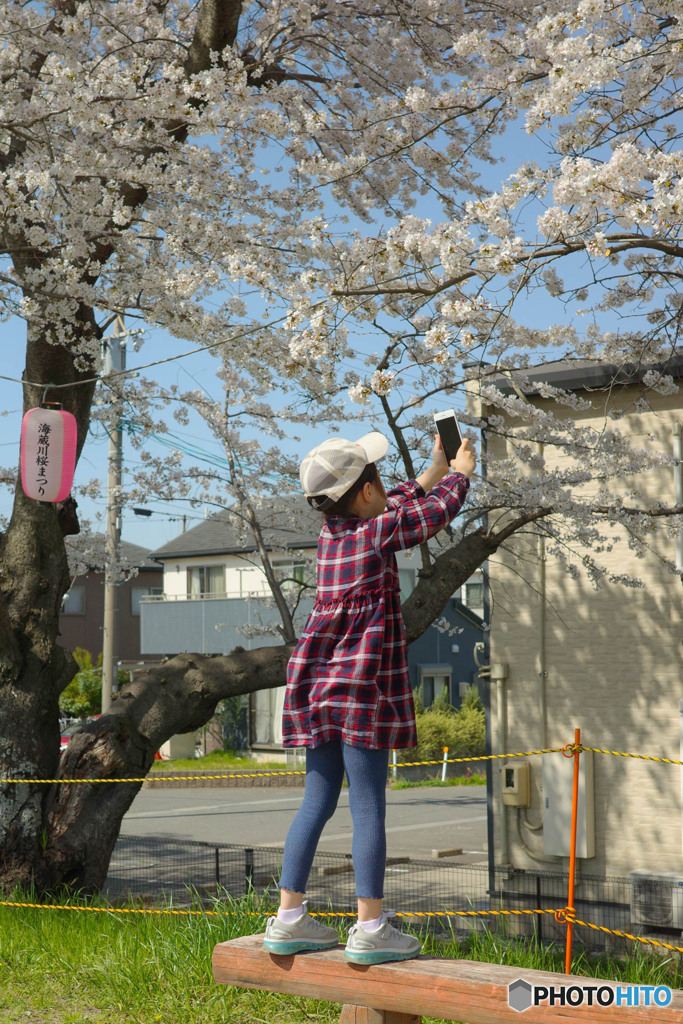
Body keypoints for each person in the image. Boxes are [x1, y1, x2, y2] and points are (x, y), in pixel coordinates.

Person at [262, 428, 476, 964]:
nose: (388, 486)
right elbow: (426, 516)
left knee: (316, 801)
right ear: (363, 493)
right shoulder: (378, 532)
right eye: (378, 479)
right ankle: (371, 927)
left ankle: (288, 918)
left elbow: (400, 502)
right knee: (368, 807)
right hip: (360, 692)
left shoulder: (334, 535)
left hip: (317, 690)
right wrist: (460, 477)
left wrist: (432, 468)